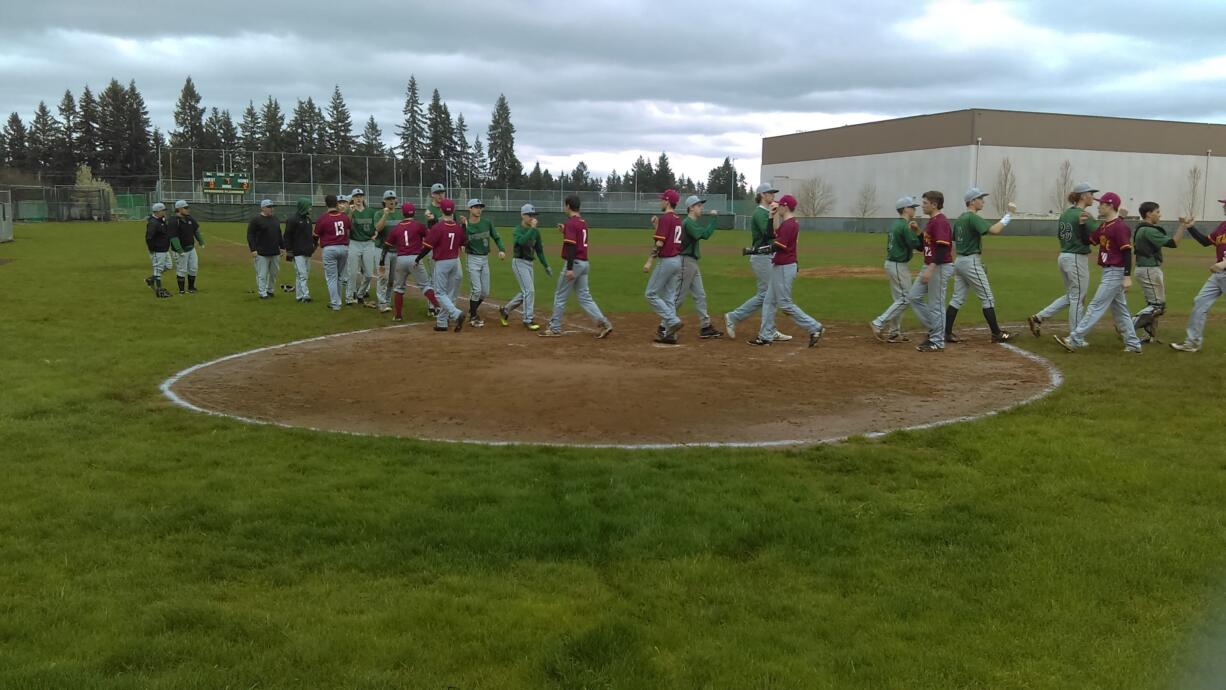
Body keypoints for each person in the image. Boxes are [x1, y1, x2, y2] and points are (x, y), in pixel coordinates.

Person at [1055, 192, 1143, 353]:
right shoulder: (1104, 226)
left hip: (1115, 272)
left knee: (1095, 306)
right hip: (1109, 272)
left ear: (1110, 206)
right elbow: (1088, 241)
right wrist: (1081, 225)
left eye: (1102, 203)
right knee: (1120, 310)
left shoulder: (1119, 226)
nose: (1099, 206)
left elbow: (1127, 252)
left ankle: (1074, 339)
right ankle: (1133, 344)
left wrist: (1127, 276)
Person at [743, 194, 824, 348]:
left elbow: (776, 246)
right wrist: (770, 216)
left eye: (780, 205)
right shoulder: (787, 223)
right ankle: (765, 336)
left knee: (785, 304)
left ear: (785, 206)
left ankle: (814, 327)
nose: (777, 206)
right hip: (780, 266)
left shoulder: (790, 225)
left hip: (785, 267)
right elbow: (769, 235)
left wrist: (753, 250)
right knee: (768, 301)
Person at [944, 187, 1016, 343]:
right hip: (970, 261)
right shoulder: (972, 217)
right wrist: (1009, 214)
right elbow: (995, 230)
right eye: (980, 198)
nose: (983, 201)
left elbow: (955, 240)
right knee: (988, 298)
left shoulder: (960, 219)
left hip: (960, 260)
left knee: (957, 299)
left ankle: (946, 332)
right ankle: (997, 333)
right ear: (972, 202)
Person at [1028, 183, 1098, 338]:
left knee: (1072, 296)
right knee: (1078, 298)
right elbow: (1099, 232)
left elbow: (1060, 235)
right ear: (1083, 196)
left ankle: (1038, 318)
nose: (1093, 196)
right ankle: (1075, 336)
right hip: (1076, 257)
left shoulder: (1066, 214)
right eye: (1090, 193)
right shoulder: (1083, 215)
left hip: (1064, 255)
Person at [724, 183, 792, 341]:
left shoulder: (767, 212)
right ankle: (736, 318)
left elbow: (776, 232)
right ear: (762, 195)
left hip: (766, 255)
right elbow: (769, 234)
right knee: (768, 294)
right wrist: (773, 216)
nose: (773, 196)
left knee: (766, 294)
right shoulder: (760, 213)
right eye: (770, 193)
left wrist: (774, 215)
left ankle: (766, 327)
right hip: (761, 256)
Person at [541, 195, 614, 339]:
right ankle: (604, 323)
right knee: (585, 297)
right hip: (584, 263)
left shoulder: (571, 223)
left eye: (565, 205)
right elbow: (577, 239)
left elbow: (571, 247)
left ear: (568, 206)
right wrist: (565, 230)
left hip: (574, 263)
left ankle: (554, 327)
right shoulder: (582, 222)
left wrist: (569, 268)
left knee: (560, 295)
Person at [1170, 197, 1226, 353]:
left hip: (1222, 269)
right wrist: (1190, 228)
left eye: (1225, 205)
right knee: (1200, 302)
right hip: (1219, 275)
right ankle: (1192, 342)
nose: (1224, 207)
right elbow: (1205, 241)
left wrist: (1224, 263)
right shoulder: (1223, 226)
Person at [1131, 203, 1190, 343]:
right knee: (1158, 307)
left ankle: (1148, 337)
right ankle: (1127, 326)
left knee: (1152, 305)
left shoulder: (1141, 228)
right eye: (1157, 211)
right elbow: (1173, 243)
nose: (1160, 214)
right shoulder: (1149, 230)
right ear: (1148, 214)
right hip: (1149, 269)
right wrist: (1183, 225)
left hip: (1145, 269)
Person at [869, 196, 924, 343]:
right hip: (898, 264)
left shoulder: (896, 224)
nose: (914, 209)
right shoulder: (904, 225)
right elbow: (916, 244)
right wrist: (919, 233)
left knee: (899, 299)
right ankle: (879, 322)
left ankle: (894, 331)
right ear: (905, 209)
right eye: (912, 207)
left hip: (893, 263)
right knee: (906, 298)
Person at [908, 191, 955, 352]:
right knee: (913, 296)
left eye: (925, 203)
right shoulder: (932, 222)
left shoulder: (940, 222)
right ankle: (936, 329)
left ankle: (937, 340)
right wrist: (917, 232)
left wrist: (931, 268)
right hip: (930, 265)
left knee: (936, 304)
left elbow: (943, 248)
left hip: (939, 266)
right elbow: (925, 246)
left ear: (934, 204)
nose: (922, 205)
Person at [415, 198, 468, 332]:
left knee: (439, 293)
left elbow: (427, 247)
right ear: (453, 211)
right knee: (448, 293)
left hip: (442, 262)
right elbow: (464, 242)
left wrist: (417, 258)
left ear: (440, 210)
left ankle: (456, 314)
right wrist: (463, 226)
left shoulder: (437, 227)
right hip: (455, 261)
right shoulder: (457, 227)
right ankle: (442, 322)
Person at [676, 195, 722, 338]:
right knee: (679, 297)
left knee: (700, 295)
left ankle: (705, 326)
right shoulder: (688, 223)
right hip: (685, 261)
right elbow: (704, 234)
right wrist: (713, 219)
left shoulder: (690, 222)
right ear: (691, 208)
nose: (701, 208)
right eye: (699, 206)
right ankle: (665, 325)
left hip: (692, 262)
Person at [500, 203, 551, 330]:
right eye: (530, 215)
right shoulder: (517, 230)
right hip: (519, 262)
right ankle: (528, 320)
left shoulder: (536, 232)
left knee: (526, 292)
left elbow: (539, 251)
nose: (532, 218)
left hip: (529, 264)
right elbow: (521, 242)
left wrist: (546, 265)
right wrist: (532, 229)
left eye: (534, 215)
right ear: (523, 215)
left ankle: (506, 310)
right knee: (529, 291)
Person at [644, 189, 684, 343]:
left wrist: (649, 260)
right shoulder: (677, 219)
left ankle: (672, 320)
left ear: (667, 201)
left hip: (667, 261)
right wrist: (656, 226)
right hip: (677, 261)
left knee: (650, 294)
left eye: (662, 199)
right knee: (668, 298)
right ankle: (670, 334)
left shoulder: (666, 218)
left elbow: (660, 243)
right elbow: (667, 238)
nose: (661, 201)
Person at [383, 202, 434, 322]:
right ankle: (439, 308)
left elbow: (386, 245)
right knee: (426, 286)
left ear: (402, 213)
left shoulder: (397, 227)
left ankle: (398, 316)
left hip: (400, 259)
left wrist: (381, 262)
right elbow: (430, 237)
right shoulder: (418, 225)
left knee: (399, 288)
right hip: (415, 258)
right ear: (414, 212)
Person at [462, 199, 506, 327]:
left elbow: (496, 237)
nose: (478, 209)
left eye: (480, 207)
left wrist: (501, 249)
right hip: (472, 259)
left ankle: (472, 310)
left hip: (484, 259)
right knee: (476, 290)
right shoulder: (466, 224)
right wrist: (464, 227)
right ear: (469, 209)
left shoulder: (487, 223)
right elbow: (462, 240)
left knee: (485, 292)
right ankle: (473, 317)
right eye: (475, 207)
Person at [313, 194, 352, 311]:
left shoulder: (323, 218)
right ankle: (338, 300)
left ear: (326, 204)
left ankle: (335, 303)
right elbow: (349, 231)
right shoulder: (344, 217)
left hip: (330, 249)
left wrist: (315, 245)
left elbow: (315, 235)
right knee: (339, 276)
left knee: (331, 277)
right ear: (336, 203)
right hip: (344, 248)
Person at [345, 188, 379, 308]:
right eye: (356, 196)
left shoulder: (371, 212)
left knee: (369, 274)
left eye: (360, 196)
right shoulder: (350, 211)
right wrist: (350, 213)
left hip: (368, 243)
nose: (359, 198)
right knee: (352, 273)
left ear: (363, 198)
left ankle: (360, 294)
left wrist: (376, 233)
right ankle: (349, 297)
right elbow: (346, 226)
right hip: (354, 243)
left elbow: (377, 226)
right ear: (352, 199)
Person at [282, 196, 316, 303]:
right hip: (297, 252)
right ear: (303, 207)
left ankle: (299, 296)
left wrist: (313, 245)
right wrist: (289, 251)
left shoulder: (308, 220)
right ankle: (306, 295)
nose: (311, 209)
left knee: (301, 274)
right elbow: (287, 236)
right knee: (302, 274)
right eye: (309, 206)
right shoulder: (292, 220)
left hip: (307, 252)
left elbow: (308, 236)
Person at [247, 199, 283, 299]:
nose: (271, 209)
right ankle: (262, 292)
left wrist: (282, 246)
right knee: (262, 274)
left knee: (273, 273)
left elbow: (279, 233)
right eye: (269, 207)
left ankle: (270, 290)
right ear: (263, 208)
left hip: (275, 251)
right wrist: (253, 249)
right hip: (261, 252)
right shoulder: (256, 220)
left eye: (272, 207)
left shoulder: (275, 219)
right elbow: (250, 235)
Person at [167, 200, 204, 294]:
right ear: (179, 209)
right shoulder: (173, 221)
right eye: (185, 208)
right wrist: (179, 249)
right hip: (180, 250)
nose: (188, 209)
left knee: (193, 268)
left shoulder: (190, 218)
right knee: (182, 269)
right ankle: (181, 290)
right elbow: (173, 236)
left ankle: (191, 288)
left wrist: (201, 241)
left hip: (191, 248)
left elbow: (196, 231)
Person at [373, 190, 399, 312]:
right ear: (384, 201)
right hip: (382, 250)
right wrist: (385, 215)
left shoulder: (400, 215)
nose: (391, 201)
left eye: (393, 199)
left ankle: (388, 300)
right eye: (389, 199)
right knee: (383, 276)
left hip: (397, 250)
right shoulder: (379, 213)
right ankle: (382, 302)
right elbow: (378, 228)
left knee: (392, 279)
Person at [144, 202, 173, 298]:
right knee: (158, 268)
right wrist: (152, 249)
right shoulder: (153, 223)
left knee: (169, 266)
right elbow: (149, 237)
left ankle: (151, 279)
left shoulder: (161, 220)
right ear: (158, 211)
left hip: (164, 248)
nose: (164, 212)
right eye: (163, 210)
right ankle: (159, 290)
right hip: (158, 249)